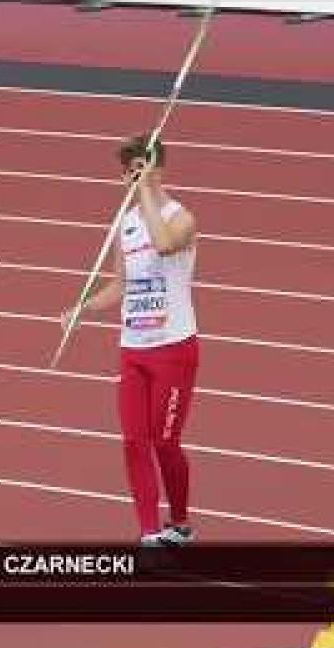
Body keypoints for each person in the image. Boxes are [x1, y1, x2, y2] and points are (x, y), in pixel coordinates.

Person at [63, 135, 200, 547]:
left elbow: (164, 243)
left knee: (164, 442)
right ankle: (148, 532)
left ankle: (179, 521)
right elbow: (120, 285)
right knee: (133, 441)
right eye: (126, 172)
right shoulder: (124, 224)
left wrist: (146, 192)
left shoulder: (182, 217)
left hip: (174, 349)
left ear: (156, 168)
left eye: (137, 168)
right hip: (133, 349)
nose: (129, 177)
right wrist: (82, 308)